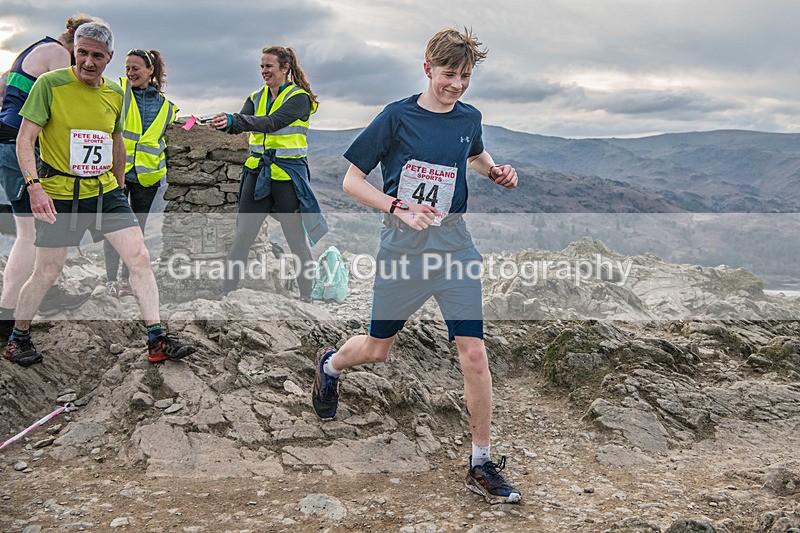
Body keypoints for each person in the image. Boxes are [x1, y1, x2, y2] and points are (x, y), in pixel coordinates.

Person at [310, 28, 522, 504]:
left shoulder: (469, 117)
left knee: (474, 352)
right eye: (449, 75)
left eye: (466, 76)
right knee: (377, 349)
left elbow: (475, 155)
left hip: (455, 246)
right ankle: (330, 363)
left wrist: (498, 171)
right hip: (403, 249)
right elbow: (350, 181)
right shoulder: (395, 117)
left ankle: (481, 461)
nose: (457, 85)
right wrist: (397, 207)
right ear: (427, 69)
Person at [2, 20, 196, 368]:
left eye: (97, 56)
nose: (88, 62)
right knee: (47, 271)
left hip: (105, 190)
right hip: (59, 191)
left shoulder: (114, 93)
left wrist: (119, 184)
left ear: (109, 58)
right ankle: (18, 338)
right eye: (82, 54)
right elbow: (24, 140)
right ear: (73, 51)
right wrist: (34, 187)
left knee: (139, 257)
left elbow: (116, 141)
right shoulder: (50, 84)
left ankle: (156, 338)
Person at [0, 15, 96, 340]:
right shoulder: (56, 53)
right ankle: (8, 313)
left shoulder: (28, 51)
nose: (85, 60)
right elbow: (69, 105)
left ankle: (47, 296)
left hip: (7, 140)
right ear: (75, 40)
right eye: (84, 51)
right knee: (30, 231)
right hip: (20, 144)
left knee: (37, 226)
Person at [209, 46, 327, 301]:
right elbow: (241, 122)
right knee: (242, 237)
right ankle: (226, 294)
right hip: (257, 173)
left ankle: (306, 297)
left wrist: (235, 120)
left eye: (269, 66)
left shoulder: (299, 98)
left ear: (285, 68)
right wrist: (221, 123)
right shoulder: (256, 96)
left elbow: (271, 122)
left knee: (295, 239)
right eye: (261, 66)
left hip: (286, 177)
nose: (264, 71)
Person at [103, 48, 177, 298]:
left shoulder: (167, 106)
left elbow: (182, 125)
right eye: (127, 68)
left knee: (137, 229)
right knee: (114, 226)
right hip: (116, 171)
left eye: (135, 68)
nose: (130, 73)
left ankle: (128, 279)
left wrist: (201, 123)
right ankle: (111, 279)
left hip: (147, 177)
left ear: (150, 71)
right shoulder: (118, 91)